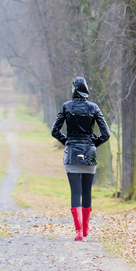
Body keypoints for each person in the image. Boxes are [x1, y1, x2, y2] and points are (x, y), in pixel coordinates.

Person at [51, 76, 110, 241]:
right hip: (89, 153)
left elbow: (54, 131)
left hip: (71, 154)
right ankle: (85, 229)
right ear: (86, 89)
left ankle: (78, 232)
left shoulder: (66, 107)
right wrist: (93, 145)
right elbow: (106, 134)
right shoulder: (93, 108)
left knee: (75, 192)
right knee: (87, 191)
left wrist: (68, 143)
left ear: (73, 89)